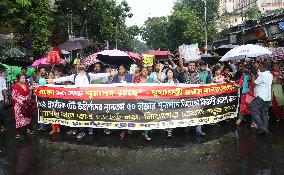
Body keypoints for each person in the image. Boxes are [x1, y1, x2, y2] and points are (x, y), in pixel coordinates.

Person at [49, 64, 115, 139]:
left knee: (89, 114)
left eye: (83, 67)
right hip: (78, 100)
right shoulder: (74, 76)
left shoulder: (89, 75)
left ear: (85, 68)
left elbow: (99, 75)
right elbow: (64, 78)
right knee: (80, 115)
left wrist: (109, 74)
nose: (81, 68)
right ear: (77, 69)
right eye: (79, 67)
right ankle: (81, 131)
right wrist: (53, 80)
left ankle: (90, 129)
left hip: (87, 99)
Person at [179, 58, 206, 136]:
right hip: (188, 98)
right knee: (188, 113)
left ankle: (198, 130)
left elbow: (201, 85)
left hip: (197, 98)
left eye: (193, 65)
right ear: (188, 66)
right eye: (190, 65)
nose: (192, 67)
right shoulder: (185, 73)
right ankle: (188, 127)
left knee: (198, 113)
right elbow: (181, 64)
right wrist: (181, 55)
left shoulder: (198, 74)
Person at [250, 61, 273, 135]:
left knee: (253, 109)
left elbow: (253, 84)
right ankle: (265, 128)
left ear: (264, 67)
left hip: (261, 96)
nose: (259, 67)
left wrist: (253, 76)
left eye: (261, 66)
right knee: (264, 112)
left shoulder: (263, 75)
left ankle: (263, 128)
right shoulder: (270, 74)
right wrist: (256, 72)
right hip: (267, 97)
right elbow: (260, 74)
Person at [111, 65, 133, 139]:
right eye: (119, 69)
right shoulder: (115, 77)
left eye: (122, 69)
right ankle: (123, 130)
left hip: (128, 98)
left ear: (125, 70)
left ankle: (129, 127)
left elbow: (132, 85)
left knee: (129, 113)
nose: (121, 70)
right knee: (121, 114)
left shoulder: (129, 76)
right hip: (119, 99)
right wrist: (111, 77)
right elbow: (111, 86)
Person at [159, 66, 179, 138]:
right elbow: (159, 78)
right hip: (166, 101)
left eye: (171, 72)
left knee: (172, 117)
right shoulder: (165, 81)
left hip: (174, 102)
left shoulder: (176, 81)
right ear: (166, 74)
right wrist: (160, 69)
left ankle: (169, 132)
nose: (170, 74)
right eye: (168, 72)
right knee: (167, 116)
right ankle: (167, 130)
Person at [133, 67, 152, 141]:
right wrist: (134, 83)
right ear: (141, 72)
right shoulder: (137, 79)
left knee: (146, 116)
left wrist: (158, 83)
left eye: (146, 71)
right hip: (138, 101)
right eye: (143, 71)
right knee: (137, 116)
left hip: (147, 101)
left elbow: (156, 86)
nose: (145, 72)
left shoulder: (151, 79)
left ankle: (146, 133)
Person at [12, 74, 33, 139]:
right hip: (18, 105)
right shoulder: (15, 86)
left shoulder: (26, 85)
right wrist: (19, 101)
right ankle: (18, 133)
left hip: (26, 103)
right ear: (19, 79)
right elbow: (13, 96)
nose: (24, 79)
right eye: (22, 78)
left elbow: (29, 94)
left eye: (24, 78)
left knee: (27, 116)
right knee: (18, 118)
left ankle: (28, 129)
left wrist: (31, 89)